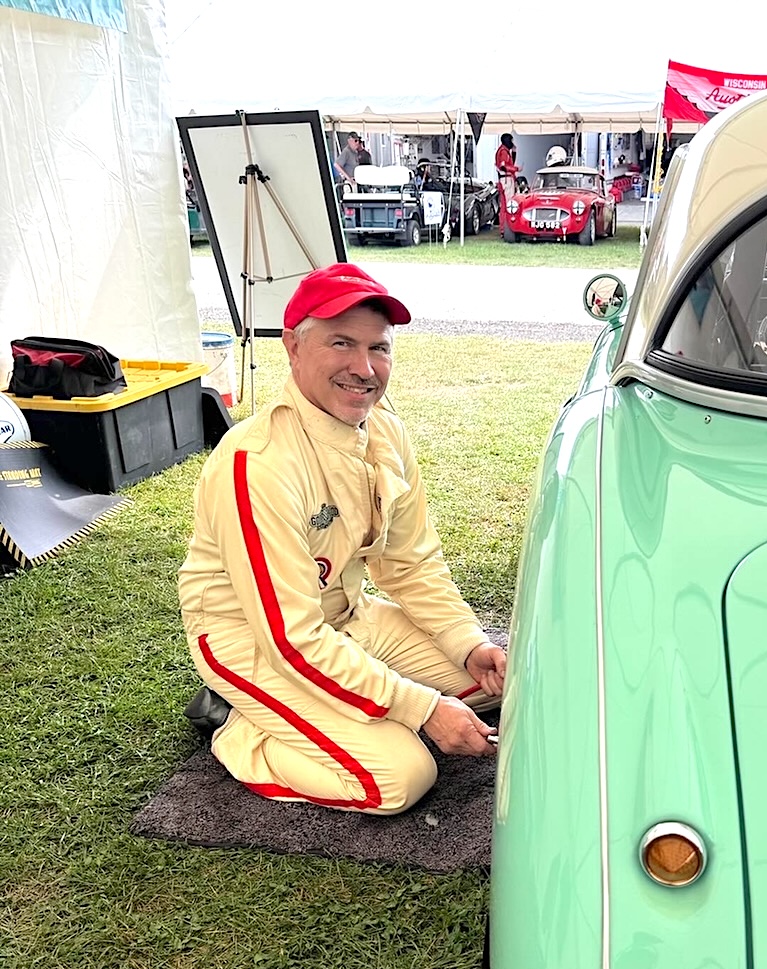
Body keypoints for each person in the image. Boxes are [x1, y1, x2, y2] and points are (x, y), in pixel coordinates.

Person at [178, 263, 506, 815]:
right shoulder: (256, 463)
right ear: (292, 346)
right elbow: (290, 638)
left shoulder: (386, 432)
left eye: (379, 347)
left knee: (496, 685)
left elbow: (412, 563)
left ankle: (336, 704)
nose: (364, 368)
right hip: (253, 640)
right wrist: (419, 709)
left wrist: (469, 642)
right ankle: (239, 724)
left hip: (347, 617)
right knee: (400, 777)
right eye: (341, 343)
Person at [494, 132, 519, 232]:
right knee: (509, 205)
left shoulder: (505, 151)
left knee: (505, 205)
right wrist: (516, 169)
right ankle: (508, 228)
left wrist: (514, 153)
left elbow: (510, 163)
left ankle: (504, 229)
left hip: (506, 179)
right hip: (506, 179)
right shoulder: (503, 151)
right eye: (511, 140)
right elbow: (503, 166)